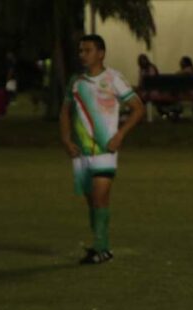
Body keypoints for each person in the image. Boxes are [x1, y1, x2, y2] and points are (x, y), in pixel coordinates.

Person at [59, 34, 144, 264]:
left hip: (106, 150)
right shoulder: (76, 81)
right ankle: (101, 245)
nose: (82, 55)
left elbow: (138, 108)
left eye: (87, 50)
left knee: (99, 197)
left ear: (101, 53)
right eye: (80, 51)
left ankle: (100, 249)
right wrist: (66, 140)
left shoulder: (113, 78)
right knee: (93, 202)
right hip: (81, 151)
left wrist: (120, 134)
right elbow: (65, 112)